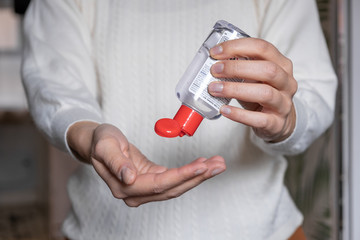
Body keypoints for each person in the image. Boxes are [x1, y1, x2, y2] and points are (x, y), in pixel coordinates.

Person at [21, 0, 337, 239]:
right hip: (101, 229)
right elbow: (54, 86)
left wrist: (284, 120)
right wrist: (91, 136)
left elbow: (315, 94)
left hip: (264, 230)